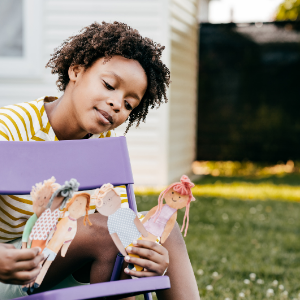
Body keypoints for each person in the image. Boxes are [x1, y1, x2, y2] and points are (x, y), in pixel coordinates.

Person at [0, 21, 200, 300]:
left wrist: (152, 256)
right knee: (108, 232)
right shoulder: (8, 128)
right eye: (109, 85)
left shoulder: (104, 147)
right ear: (76, 70)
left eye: (129, 104)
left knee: (163, 233)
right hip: (10, 270)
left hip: (61, 263)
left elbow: (119, 222)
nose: (117, 104)